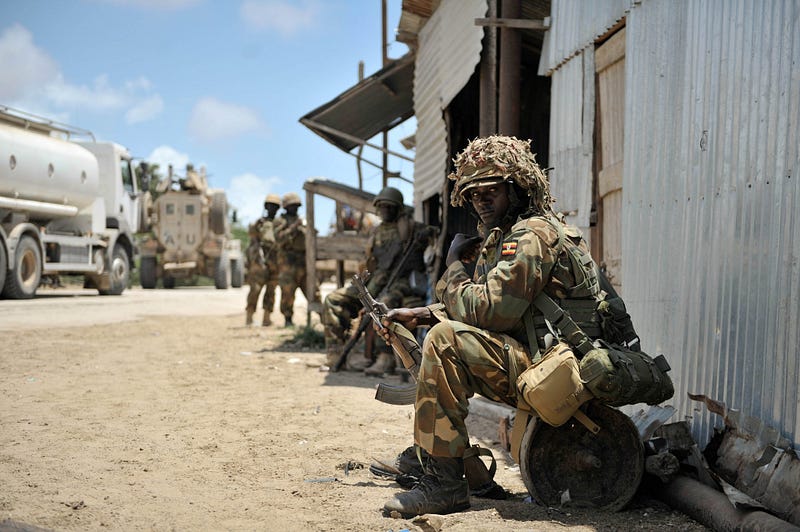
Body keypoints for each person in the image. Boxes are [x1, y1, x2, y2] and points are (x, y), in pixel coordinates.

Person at [375, 135, 626, 517]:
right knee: (441, 332)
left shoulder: (532, 236)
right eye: (474, 195)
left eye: (491, 191)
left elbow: (490, 312)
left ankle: (444, 486)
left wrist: (453, 267)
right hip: (543, 360)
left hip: (558, 368)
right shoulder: (510, 236)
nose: (481, 201)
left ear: (517, 188)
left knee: (444, 342)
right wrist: (420, 314)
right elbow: (477, 303)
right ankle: (436, 456)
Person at [321, 186, 434, 373]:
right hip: (374, 281)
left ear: (398, 208)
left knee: (383, 306)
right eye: (382, 206)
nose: (385, 210)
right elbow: (369, 262)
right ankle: (336, 352)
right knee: (333, 299)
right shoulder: (376, 232)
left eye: (390, 207)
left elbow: (436, 235)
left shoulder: (410, 227)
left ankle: (385, 356)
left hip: (400, 281)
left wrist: (427, 235)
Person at [275, 192, 320, 327]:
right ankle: (288, 319)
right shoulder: (280, 221)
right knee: (287, 292)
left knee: (313, 291)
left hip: (304, 262)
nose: (294, 208)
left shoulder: (302, 221)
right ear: (286, 207)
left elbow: (313, 235)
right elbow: (279, 239)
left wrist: (306, 228)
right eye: (292, 206)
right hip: (288, 263)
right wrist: (294, 227)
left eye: (296, 206)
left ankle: (325, 319)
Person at [244, 194, 281, 326]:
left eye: (275, 207)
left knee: (271, 290)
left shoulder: (279, 224)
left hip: (275, 261)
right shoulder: (259, 223)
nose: (273, 209)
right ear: (266, 207)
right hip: (260, 260)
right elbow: (252, 240)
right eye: (270, 206)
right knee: (255, 289)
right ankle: (249, 317)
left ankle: (267, 318)